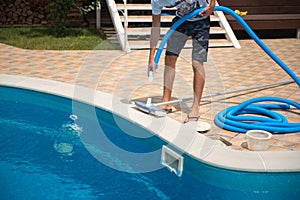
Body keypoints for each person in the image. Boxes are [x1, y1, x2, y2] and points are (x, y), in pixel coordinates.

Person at [148, 0, 216, 123]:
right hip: (181, 21)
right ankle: (166, 101)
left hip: (201, 20)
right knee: (169, 58)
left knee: (197, 62)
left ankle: (196, 107)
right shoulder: (156, 1)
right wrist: (151, 58)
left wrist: (212, 5)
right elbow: (155, 27)